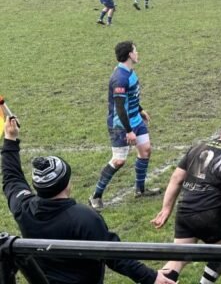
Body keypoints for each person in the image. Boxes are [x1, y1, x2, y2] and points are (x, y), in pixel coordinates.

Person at [2, 118, 173, 284]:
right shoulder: (84, 218)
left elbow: (12, 179)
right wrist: (150, 277)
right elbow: (115, 256)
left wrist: (10, 138)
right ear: (67, 184)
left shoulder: (23, 208)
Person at [151, 119, 221, 284]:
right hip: (209, 215)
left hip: (185, 212)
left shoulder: (198, 147)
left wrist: (166, 209)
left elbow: (176, 178)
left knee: (178, 259)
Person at [89, 41, 161, 211]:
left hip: (135, 119)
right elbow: (120, 107)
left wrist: (140, 109)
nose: (138, 53)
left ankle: (140, 190)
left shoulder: (129, 72)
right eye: (136, 51)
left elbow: (131, 96)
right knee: (119, 160)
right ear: (130, 54)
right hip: (120, 125)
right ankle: (95, 196)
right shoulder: (119, 78)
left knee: (145, 151)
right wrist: (128, 131)